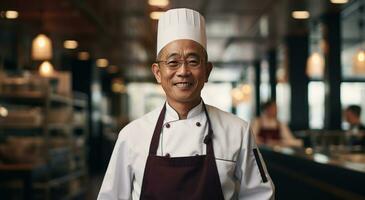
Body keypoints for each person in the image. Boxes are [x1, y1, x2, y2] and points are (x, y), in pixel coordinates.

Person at [98, 8, 274, 200]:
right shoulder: (132, 136)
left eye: (193, 61)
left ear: (207, 70)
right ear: (157, 72)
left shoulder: (237, 131)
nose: (183, 71)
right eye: (173, 62)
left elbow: (261, 196)